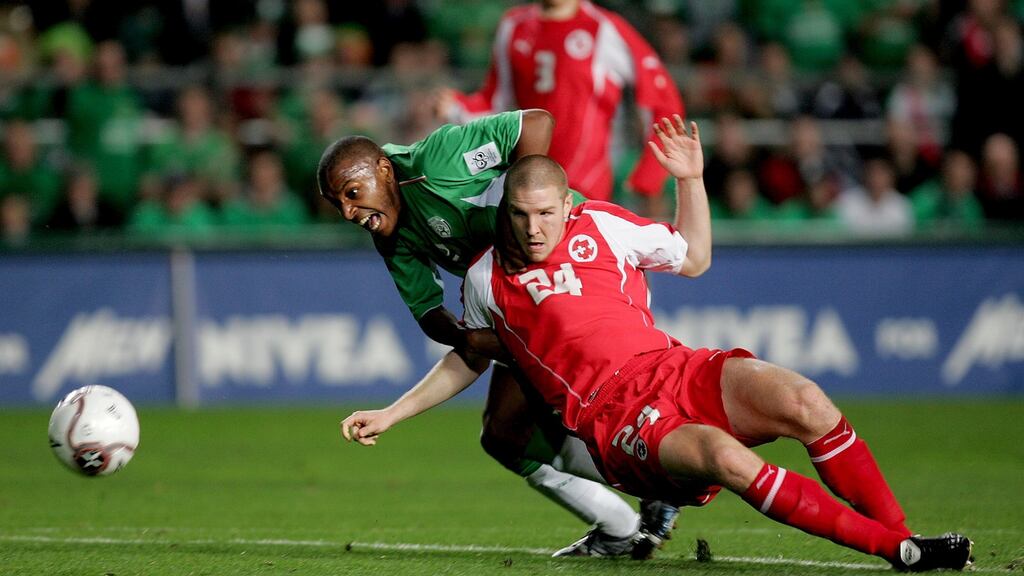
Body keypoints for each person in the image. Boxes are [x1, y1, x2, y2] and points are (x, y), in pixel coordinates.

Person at [340, 116, 974, 571]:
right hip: (616, 418)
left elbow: (693, 257)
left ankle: (907, 543)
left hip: (674, 365)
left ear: (569, 204)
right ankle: (900, 552)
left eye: (545, 213)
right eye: (519, 216)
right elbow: (466, 356)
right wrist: (392, 413)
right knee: (726, 459)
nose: (533, 229)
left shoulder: (604, 224)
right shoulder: (486, 278)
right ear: (505, 213)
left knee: (806, 400)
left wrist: (690, 180)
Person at [317, 109, 677, 558]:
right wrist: (469, 339)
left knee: (533, 426)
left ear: (384, 171)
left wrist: (514, 221)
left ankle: (659, 485)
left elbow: (537, 124)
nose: (350, 212)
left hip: (570, 269)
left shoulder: (439, 162)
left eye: (353, 194)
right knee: (510, 437)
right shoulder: (391, 231)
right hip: (518, 303)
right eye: (340, 205)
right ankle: (633, 512)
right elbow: (429, 311)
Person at [434, 0, 685, 218]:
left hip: (586, 191)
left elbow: (664, 101)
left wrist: (650, 175)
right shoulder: (513, 26)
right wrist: (457, 107)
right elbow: (495, 101)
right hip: (527, 187)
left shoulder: (604, 28)